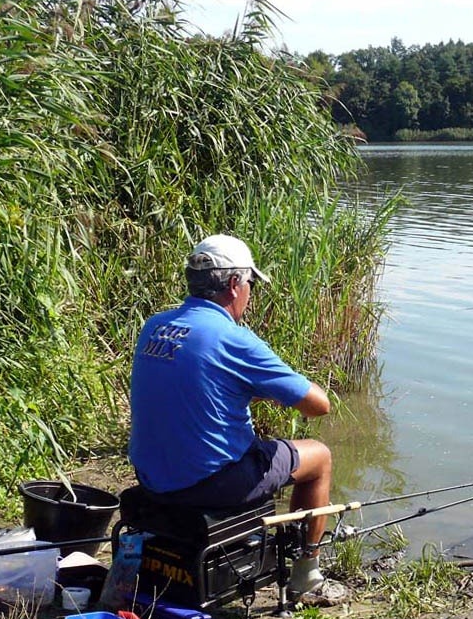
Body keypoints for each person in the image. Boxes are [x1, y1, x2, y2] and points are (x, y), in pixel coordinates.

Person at [128, 233, 333, 599]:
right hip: (206, 485)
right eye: (251, 284)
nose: (250, 295)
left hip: (151, 479)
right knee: (319, 456)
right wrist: (274, 389)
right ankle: (307, 576)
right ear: (235, 284)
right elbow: (319, 405)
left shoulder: (154, 326)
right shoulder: (233, 339)